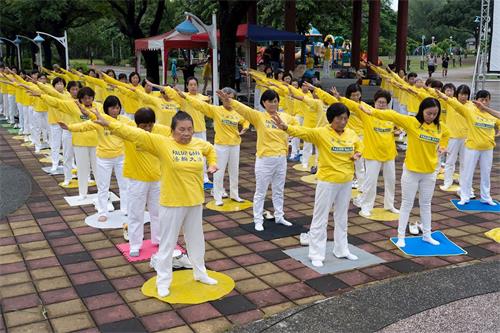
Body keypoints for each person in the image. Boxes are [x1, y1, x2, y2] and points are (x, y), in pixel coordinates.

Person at [92, 110, 218, 298]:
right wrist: (109, 124)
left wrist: (212, 163)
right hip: (172, 203)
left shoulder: (198, 144)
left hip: (195, 201)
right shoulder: (162, 143)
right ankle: (163, 281)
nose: (186, 133)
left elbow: (210, 149)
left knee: (196, 241)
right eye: (181, 129)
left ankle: (200, 273)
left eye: (189, 129)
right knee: (167, 244)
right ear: (172, 130)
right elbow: (134, 133)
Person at [272, 103, 363, 267]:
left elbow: (359, 145)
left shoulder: (351, 133)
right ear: (331, 119)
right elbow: (304, 132)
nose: (343, 122)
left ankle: (342, 250)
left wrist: (358, 153)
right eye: (339, 118)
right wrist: (285, 127)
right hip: (327, 181)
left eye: (345, 118)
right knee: (320, 217)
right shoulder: (322, 133)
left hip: (346, 180)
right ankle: (316, 253)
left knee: (342, 217)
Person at [359, 98, 449, 248]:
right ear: (422, 111)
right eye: (428, 113)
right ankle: (401, 236)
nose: (431, 117)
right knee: (406, 204)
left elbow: (447, 134)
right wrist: (373, 112)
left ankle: (427, 235)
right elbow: (392, 116)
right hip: (412, 172)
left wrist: (443, 146)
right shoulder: (412, 122)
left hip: (429, 172)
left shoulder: (440, 127)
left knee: (426, 204)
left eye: (435, 114)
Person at [217, 89, 298, 231]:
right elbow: (243, 109)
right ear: (263, 103)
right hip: (265, 159)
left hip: (281, 159)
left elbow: (297, 126)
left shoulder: (285, 117)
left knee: (279, 190)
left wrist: (290, 133)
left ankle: (279, 216)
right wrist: (230, 101)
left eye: (275, 101)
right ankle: (258, 219)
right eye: (269, 101)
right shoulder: (259, 117)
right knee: (261, 191)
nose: (273, 104)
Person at [172, 87, 248, 206]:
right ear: (222, 99)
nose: (228, 101)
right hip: (221, 146)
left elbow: (245, 120)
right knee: (219, 172)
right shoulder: (216, 110)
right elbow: (200, 105)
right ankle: (218, 196)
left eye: (231, 99)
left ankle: (234, 194)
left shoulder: (237, 112)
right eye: (226, 99)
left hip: (235, 145)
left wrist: (245, 127)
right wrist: (185, 97)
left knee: (234, 171)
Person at [59, 96, 128, 221]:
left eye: (117, 108)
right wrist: (69, 127)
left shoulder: (123, 120)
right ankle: (103, 212)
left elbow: (135, 129)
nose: (115, 110)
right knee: (103, 186)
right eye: (112, 108)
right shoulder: (98, 121)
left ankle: (125, 209)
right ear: (107, 109)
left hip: (120, 157)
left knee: (124, 184)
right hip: (104, 158)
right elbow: (83, 126)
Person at [339, 89, 399, 217]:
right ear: (374, 102)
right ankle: (366, 206)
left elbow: (400, 127)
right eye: (379, 102)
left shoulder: (392, 115)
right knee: (370, 182)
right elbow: (354, 105)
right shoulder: (367, 113)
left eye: (384, 103)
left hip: (389, 154)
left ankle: (389, 205)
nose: (381, 105)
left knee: (391, 181)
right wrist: (340, 98)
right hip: (372, 154)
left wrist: (398, 132)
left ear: (388, 104)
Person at [436, 89, 500, 206]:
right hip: (472, 147)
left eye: (486, 100)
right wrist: (444, 97)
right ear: (477, 100)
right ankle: (465, 196)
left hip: (488, 148)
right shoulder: (470, 111)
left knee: (486, 173)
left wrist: (486, 110)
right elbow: (456, 105)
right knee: (467, 172)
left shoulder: (492, 115)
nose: (484, 102)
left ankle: (486, 197)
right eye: (481, 100)